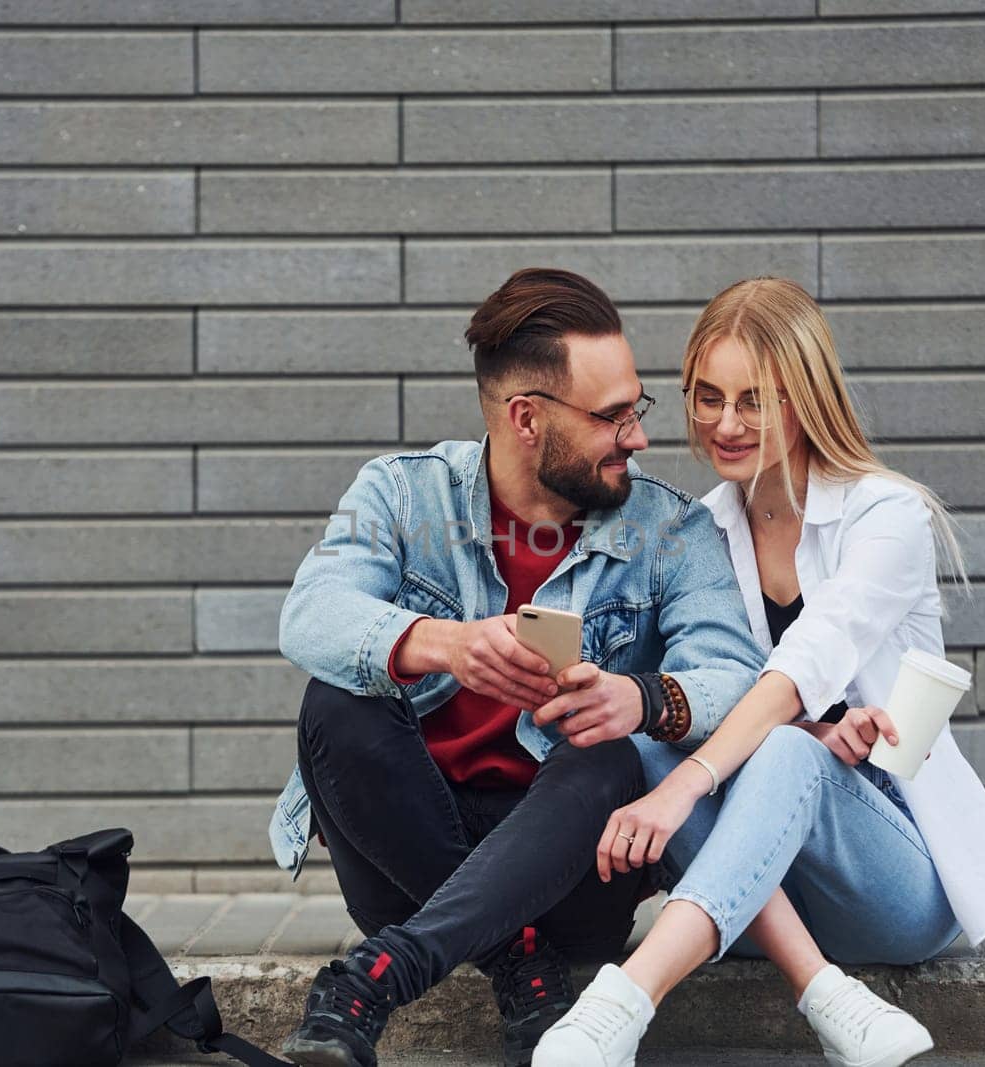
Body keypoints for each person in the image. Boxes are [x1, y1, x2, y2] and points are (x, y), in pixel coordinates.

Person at [268, 267, 767, 1067]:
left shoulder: (670, 528)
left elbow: (741, 677)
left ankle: (373, 982)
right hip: (409, 853)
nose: (637, 436)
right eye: (612, 418)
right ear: (526, 417)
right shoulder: (402, 494)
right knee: (337, 704)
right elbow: (311, 612)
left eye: (636, 409)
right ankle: (515, 960)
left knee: (611, 749)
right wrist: (444, 643)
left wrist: (639, 698)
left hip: (572, 866)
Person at [535, 277, 985, 1067]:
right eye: (708, 397)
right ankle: (827, 995)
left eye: (755, 400)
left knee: (750, 756)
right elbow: (711, 699)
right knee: (650, 743)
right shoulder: (702, 532)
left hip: (898, 877)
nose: (726, 424)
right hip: (767, 890)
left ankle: (618, 1006)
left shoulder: (884, 517)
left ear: (805, 397)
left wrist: (712, 773)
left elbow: (807, 660)